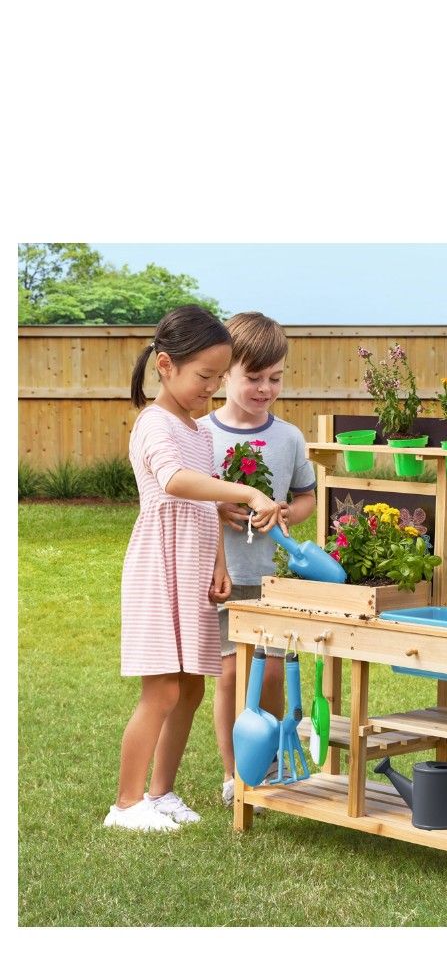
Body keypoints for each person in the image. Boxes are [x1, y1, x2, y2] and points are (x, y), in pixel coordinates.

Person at [104, 305, 288, 831]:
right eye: (204, 376)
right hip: (160, 567)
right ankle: (126, 804)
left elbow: (206, 505)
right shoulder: (154, 423)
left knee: (190, 688)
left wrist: (219, 563)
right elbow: (174, 481)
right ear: (166, 366)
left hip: (193, 568)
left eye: (218, 376)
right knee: (162, 688)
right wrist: (247, 490)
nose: (211, 388)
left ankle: (160, 793)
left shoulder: (199, 431)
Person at [199, 311, 316, 805]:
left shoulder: (288, 437)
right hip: (225, 576)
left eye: (275, 378)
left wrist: (288, 512)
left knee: (271, 672)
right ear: (225, 372)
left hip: (274, 578)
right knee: (231, 673)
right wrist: (217, 505)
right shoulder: (201, 433)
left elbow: (307, 497)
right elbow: (185, 495)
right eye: (253, 377)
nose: (265, 388)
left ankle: (267, 761)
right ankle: (234, 772)